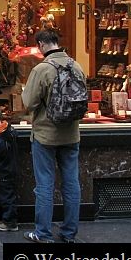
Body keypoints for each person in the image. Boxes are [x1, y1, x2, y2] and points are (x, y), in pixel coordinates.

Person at [21, 28, 82, 243]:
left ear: (41, 45)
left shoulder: (42, 70)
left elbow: (28, 103)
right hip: (71, 135)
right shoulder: (77, 66)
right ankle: (69, 233)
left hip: (45, 136)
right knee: (72, 183)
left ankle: (42, 233)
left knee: (45, 185)